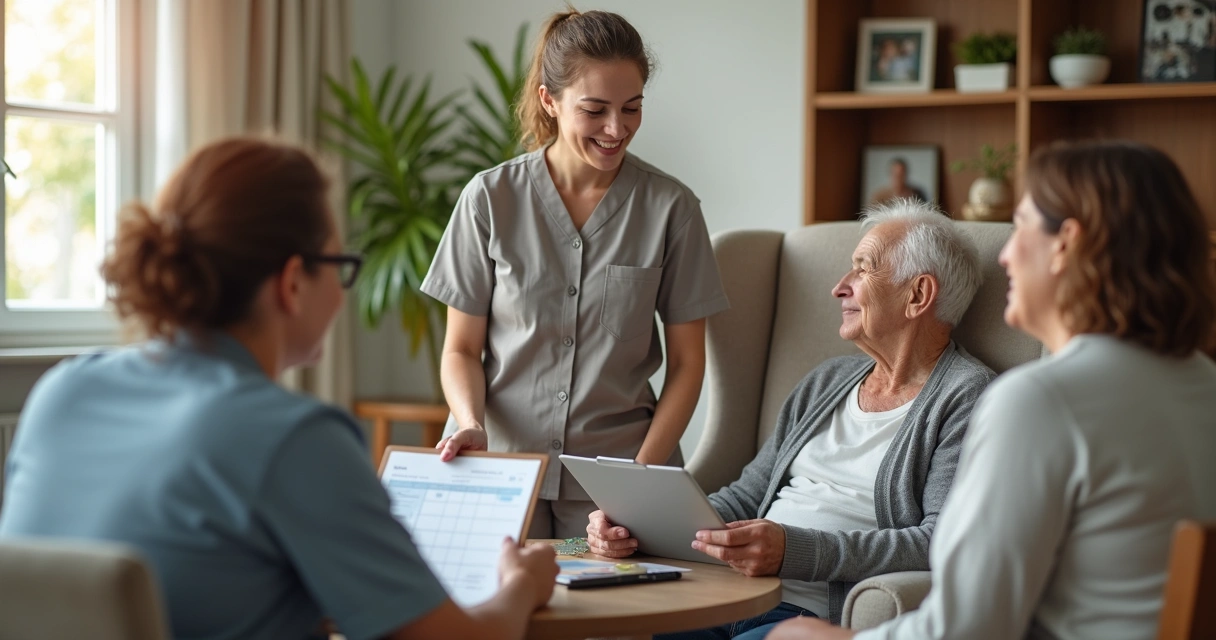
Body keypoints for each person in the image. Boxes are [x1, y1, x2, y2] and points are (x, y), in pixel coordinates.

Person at [0, 137, 559, 640]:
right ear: (293, 282)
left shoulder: (61, 393)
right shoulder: (292, 438)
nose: (342, 297)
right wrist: (522, 585)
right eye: (340, 266)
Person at [772, 141, 1216, 640]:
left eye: (1022, 226)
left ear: (1065, 244)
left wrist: (833, 639)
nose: (1004, 256)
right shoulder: (1203, 382)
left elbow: (970, 628)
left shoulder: (1042, 400)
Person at [586, 199, 997, 637]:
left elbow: (939, 540)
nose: (840, 287)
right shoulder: (826, 381)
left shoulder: (968, 396)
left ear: (917, 295)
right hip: (720, 594)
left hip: (804, 618)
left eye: (863, 269)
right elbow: (748, 497)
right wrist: (642, 525)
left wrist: (795, 551)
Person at [422, 8, 729, 538]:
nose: (617, 129)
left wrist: (640, 480)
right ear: (550, 100)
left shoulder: (671, 208)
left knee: (609, 618)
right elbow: (460, 349)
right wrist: (471, 424)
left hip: (615, 479)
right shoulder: (489, 200)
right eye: (595, 110)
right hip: (499, 467)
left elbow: (686, 365)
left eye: (632, 108)